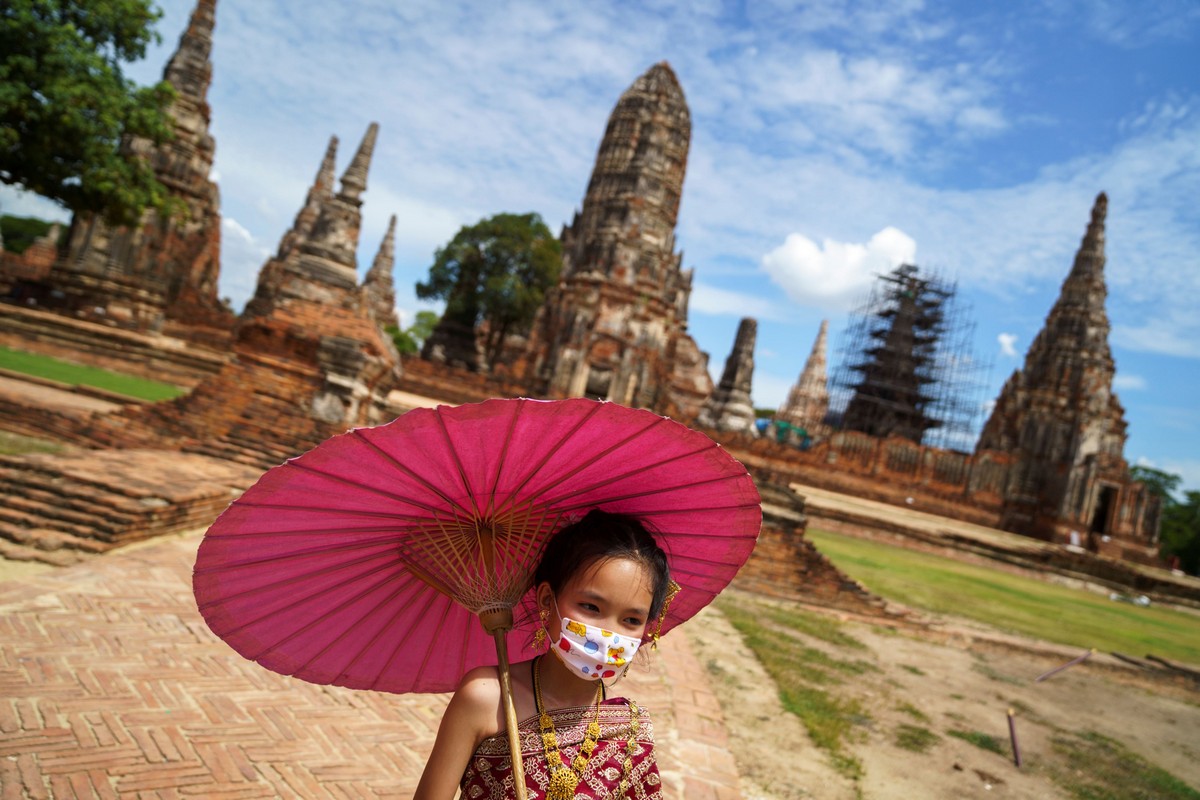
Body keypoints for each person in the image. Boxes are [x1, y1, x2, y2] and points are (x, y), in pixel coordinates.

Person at [414, 509, 673, 799]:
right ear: (548, 599)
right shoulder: (489, 697)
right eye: (591, 607)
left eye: (631, 620)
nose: (609, 634)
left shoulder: (630, 732)